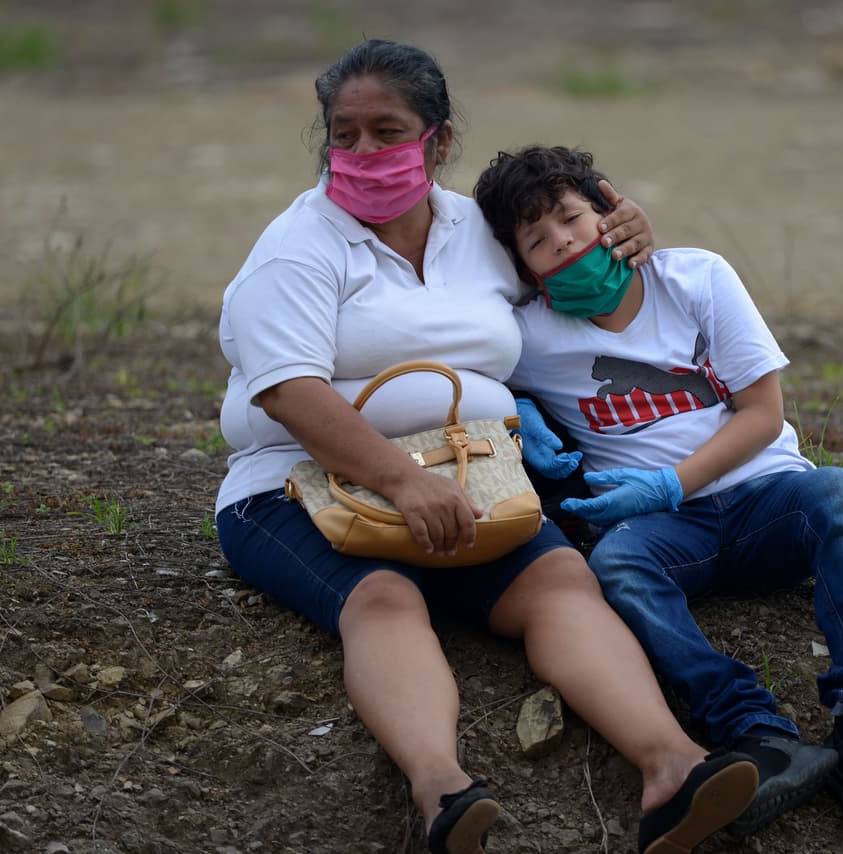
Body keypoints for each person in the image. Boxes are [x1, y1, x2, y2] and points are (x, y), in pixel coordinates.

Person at [214, 40, 763, 854]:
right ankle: (441, 791)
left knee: (563, 584)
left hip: (472, 470)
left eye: (386, 131)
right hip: (299, 486)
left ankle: (673, 769)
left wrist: (630, 233)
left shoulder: (479, 230)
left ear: (436, 140)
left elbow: (571, 271)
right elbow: (290, 393)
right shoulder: (298, 247)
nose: (363, 151)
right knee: (385, 599)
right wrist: (402, 481)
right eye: (345, 133)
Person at [473, 144, 843, 838]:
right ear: (521, 265)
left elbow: (763, 414)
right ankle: (758, 733)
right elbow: (454, 361)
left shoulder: (697, 277)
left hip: (767, 499)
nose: (561, 240)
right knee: (615, 563)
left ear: (610, 211)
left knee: (838, 493)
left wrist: (666, 484)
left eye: (570, 216)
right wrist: (510, 405)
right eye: (536, 237)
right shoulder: (522, 336)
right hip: (670, 537)